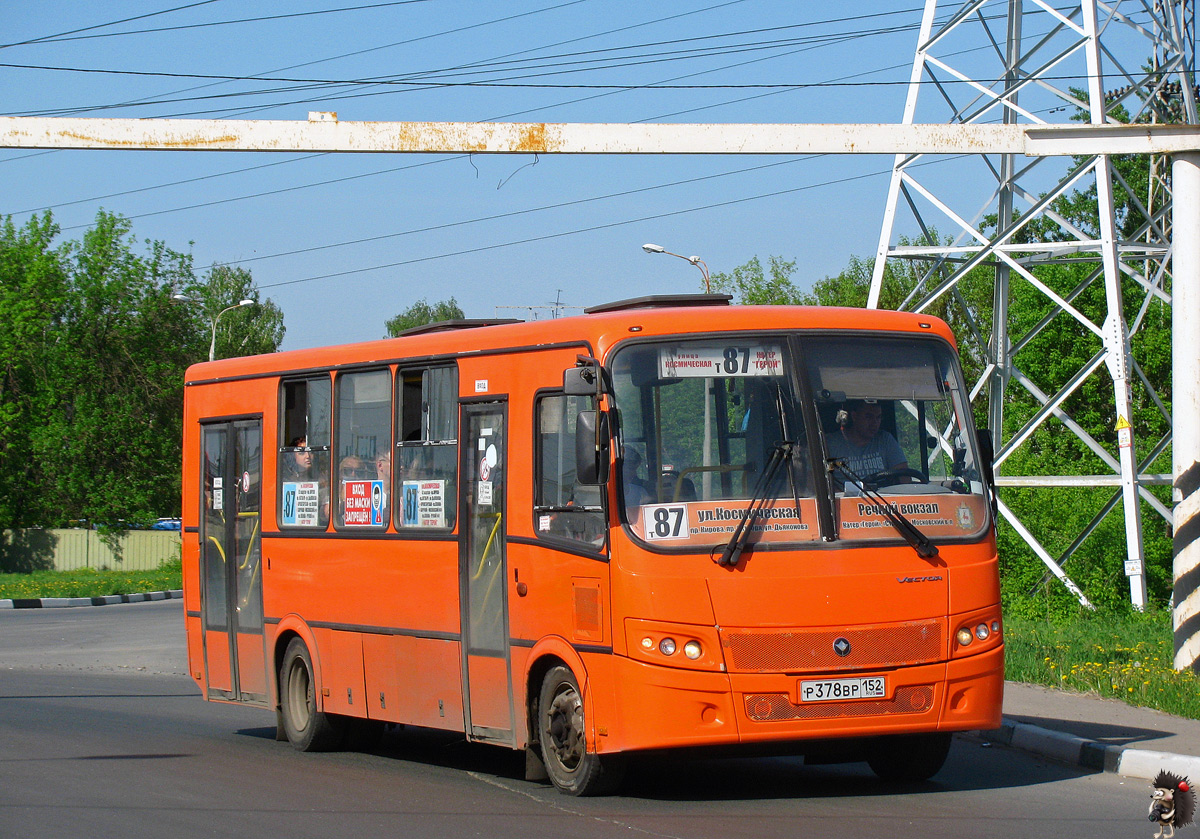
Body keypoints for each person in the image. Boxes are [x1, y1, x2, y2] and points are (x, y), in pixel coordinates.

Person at [825, 400, 908, 491]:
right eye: (869, 417)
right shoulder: (831, 444)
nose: (874, 423)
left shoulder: (885, 440)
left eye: (878, 417)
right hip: (843, 503)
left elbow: (904, 476)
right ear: (854, 416)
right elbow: (818, 482)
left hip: (884, 501)